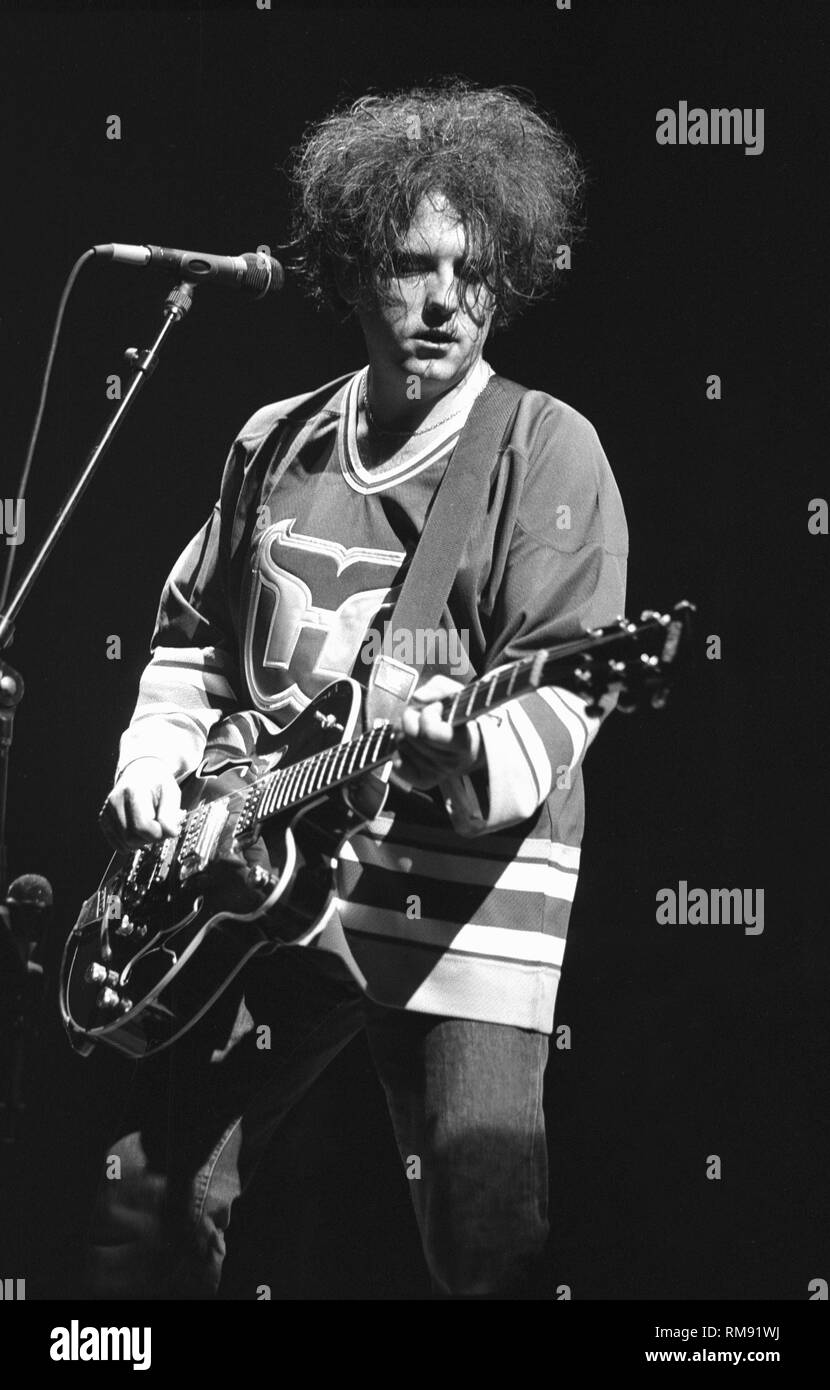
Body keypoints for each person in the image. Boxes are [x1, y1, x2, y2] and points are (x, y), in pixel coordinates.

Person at [90, 81, 628, 1300]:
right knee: (146, 1203)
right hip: (256, 874)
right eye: (408, 263)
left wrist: (463, 756)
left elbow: (566, 683)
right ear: (347, 268)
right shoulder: (273, 441)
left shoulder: (545, 450)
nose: (444, 300)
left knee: (484, 1234)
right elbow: (193, 635)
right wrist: (151, 762)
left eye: (474, 271)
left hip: (460, 899)